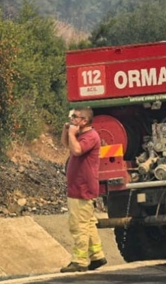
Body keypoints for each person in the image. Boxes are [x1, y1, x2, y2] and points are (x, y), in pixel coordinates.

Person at [60, 107, 106, 273]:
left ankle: (79, 260)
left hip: (83, 188)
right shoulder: (80, 135)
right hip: (77, 186)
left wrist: (73, 134)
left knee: (79, 225)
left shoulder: (91, 136)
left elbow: (78, 150)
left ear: (84, 121)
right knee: (88, 223)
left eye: (75, 117)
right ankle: (97, 255)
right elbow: (67, 145)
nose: (72, 119)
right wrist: (67, 131)